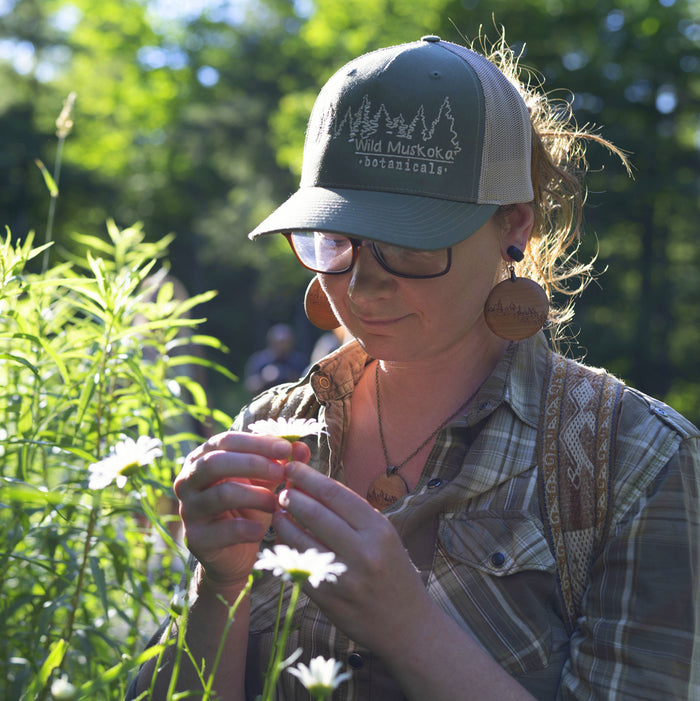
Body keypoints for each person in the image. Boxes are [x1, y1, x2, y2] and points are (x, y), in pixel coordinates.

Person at [129, 33, 700, 700]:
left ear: (515, 225)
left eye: (411, 244)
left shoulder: (638, 463)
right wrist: (216, 584)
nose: (366, 285)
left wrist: (408, 625)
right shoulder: (273, 426)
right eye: (338, 239)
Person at [243, 322, 309, 395]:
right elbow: (250, 387)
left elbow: (308, 384)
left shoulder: (299, 361)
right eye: (280, 342)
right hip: (265, 401)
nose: (282, 346)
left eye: (286, 342)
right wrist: (265, 378)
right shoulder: (259, 361)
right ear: (271, 342)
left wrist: (289, 376)